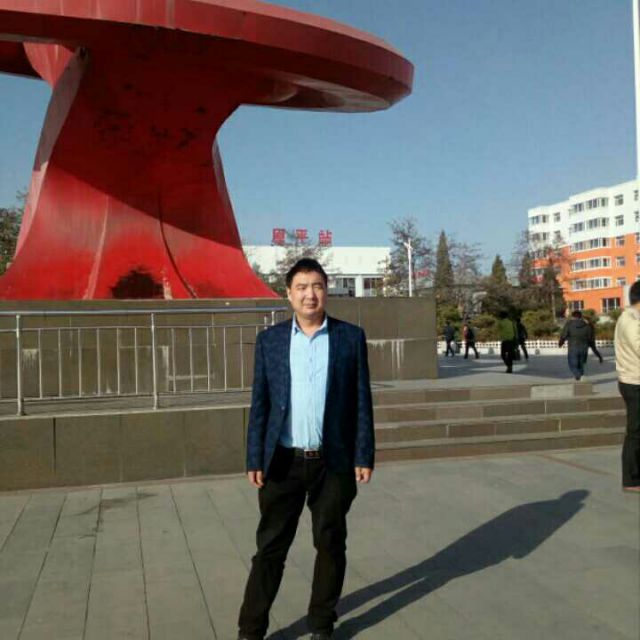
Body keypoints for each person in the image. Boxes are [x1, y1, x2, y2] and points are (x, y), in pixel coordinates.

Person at [237, 258, 375, 640]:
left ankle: (322, 623)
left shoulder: (350, 338)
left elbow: (361, 400)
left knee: (330, 544)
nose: (309, 294)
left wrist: (363, 454)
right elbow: (260, 404)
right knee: (270, 548)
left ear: (326, 290)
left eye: (316, 286)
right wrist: (254, 457)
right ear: (289, 294)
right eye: (301, 287)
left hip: (333, 462)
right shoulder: (271, 341)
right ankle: (250, 629)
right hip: (282, 462)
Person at [614, 280, 640, 493]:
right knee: (636, 431)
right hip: (634, 382)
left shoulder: (632, 318)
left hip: (633, 379)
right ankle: (631, 480)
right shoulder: (630, 321)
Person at [558, 310, 592, 380]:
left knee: (572, 364)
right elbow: (590, 337)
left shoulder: (569, 324)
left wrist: (560, 343)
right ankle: (580, 378)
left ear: (573, 317)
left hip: (573, 347)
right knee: (581, 364)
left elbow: (564, 335)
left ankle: (579, 375)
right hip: (584, 348)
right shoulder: (587, 325)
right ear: (581, 317)